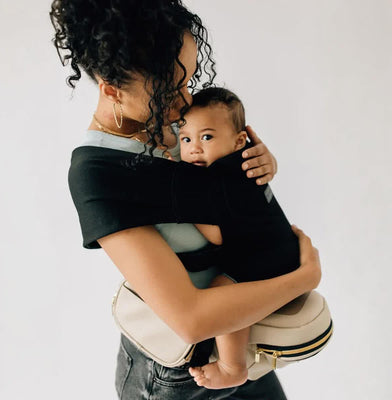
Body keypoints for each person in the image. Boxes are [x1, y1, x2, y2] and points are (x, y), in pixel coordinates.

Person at [49, 1, 322, 399]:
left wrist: (259, 166)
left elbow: (231, 198)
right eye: (168, 90)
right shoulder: (98, 173)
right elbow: (190, 319)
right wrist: (303, 279)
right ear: (112, 90)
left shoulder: (180, 122)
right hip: (174, 373)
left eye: (188, 80)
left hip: (245, 335)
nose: (185, 101)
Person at [176, 86, 301, 389]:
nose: (194, 148)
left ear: (239, 140)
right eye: (186, 139)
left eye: (207, 137)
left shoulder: (218, 178)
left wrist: (184, 208)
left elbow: (218, 236)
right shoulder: (237, 165)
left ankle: (232, 367)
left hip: (266, 257)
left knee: (223, 296)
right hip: (279, 248)